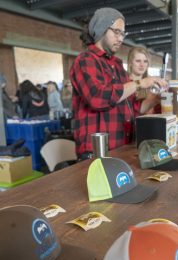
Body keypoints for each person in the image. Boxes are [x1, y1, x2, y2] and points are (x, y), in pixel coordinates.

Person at [70, 7, 167, 159]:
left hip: (121, 146)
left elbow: (132, 108)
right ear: (101, 29)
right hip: (97, 152)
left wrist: (158, 98)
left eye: (123, 33)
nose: (121, 39)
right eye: (116, 32)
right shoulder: (85, 60)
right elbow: (97, 98)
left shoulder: (117, 65)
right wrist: (140, 83)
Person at [127, 46, 161, 115]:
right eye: (138, 61)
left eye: (145, 61)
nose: (142, 65)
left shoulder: (153, 85)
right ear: (130, 62)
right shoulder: (124, 84)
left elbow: (158, 111)